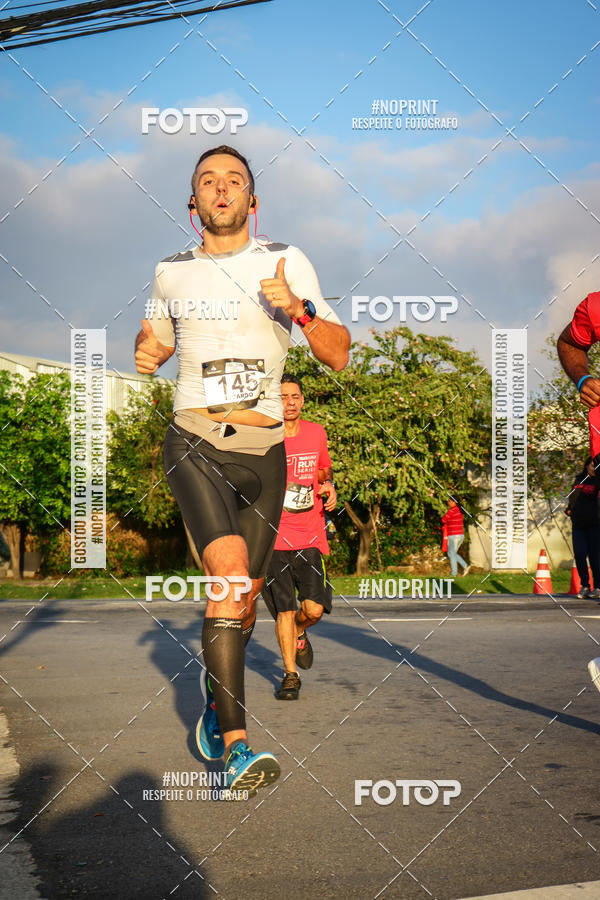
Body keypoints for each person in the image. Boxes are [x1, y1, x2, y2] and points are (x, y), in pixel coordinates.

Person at [134, 145, 350, 796]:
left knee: (246, 598)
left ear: (254, 202)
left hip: (266, 454)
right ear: (192, 203)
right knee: (228, 583)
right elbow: (161, 341)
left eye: (235, 181)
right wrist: (149, 351)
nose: (221, 189)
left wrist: (299, 309)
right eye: (208, 180)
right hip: (195, 440)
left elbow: (338, 355)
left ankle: (213, 693)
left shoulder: (285, 262)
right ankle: (235, 748)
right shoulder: (170, 272)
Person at [261, 374, 336, 700]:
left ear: (302, 400)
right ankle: (290, 675)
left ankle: (300, 633)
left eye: (294, 396)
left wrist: (329, 485)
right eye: (282, 397)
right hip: (275, 539)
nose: (289, 402)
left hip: (310, 535)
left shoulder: (316, 433)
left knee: (314, 609)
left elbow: (323, 470)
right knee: (285, 611)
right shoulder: (266, 438)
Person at [566, 457, 600, 599]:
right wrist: (569, 508)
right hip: (578, 524)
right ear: (586, 466)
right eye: (591, 466)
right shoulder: (579, 479)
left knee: (595, 557)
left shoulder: (598, 481)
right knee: (579, 555)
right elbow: (573, 497)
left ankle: (598, 587)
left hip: (594, 524)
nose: (593, 468)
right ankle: (585, 585)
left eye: (596, 466)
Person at [441, 497, 470, 576]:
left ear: (454, 502)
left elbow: (443, 520)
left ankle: (456, 572)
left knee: (452, 554)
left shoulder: (452, 510)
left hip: (453, 535)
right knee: (452, 554)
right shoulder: (460, 510)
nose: (448, 502)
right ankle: (463, 567)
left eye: (450, 501)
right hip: (460, 535)